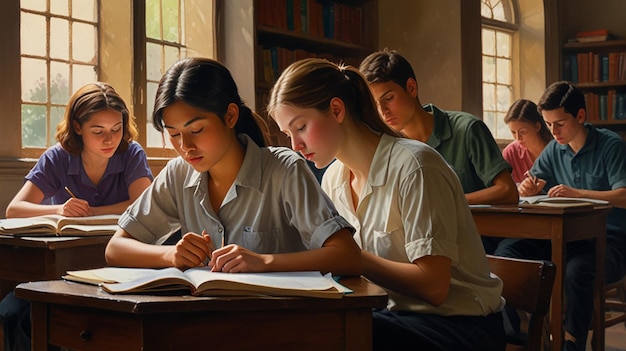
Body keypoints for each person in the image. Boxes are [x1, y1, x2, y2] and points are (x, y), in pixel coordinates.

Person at [268, 57, 505, 351]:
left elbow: (434, 287)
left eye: (300, 127)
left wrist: (351, 257)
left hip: (458, 324)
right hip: (389, 315)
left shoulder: (416, 166)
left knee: (335, 335)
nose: (295, 145)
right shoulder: (333, 179)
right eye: (288, 134)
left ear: (337, 109)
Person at [104, 57, 362, 279]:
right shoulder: (177, 174)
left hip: (281, 322)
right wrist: (170, 254)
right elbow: (115, 249)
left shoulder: (284, 170)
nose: (186, 146)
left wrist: (264, 262)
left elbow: (346, 256)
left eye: (196, 130)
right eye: (173, 134)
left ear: (230, 116)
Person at [1, 82, 154, 351]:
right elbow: (15, 209)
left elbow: (142, 204)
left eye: (116, 129)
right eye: (98, 131)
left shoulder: (131, 153)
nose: (110, 139)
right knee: (13, 313)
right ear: (77, 127)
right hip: (59, 269)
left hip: (118, 268)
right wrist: (59, 210)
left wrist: (92, 212)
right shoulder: (57, 158)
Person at [515, 81, 626, 351]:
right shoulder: (554, 150)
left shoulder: (610, 145)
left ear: (580, 116)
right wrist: (526, 188)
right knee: (512, 253)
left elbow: (623, 195)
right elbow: (528, 187)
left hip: (609, 242)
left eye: (560, 123)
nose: (553, 132)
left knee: (576, 270)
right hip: (565, 239)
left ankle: (571, 344)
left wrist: (577, 193)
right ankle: (522, 338)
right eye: (548, 124)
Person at [358, 48, 518, 206]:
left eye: (389, 98)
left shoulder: (467, 129)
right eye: (375, 105)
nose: (383, 111)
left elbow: (507, 191)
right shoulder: (385, 144)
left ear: (411, 88)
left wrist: (447, 202)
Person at [501, 99, 552, 184]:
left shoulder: (556, 149)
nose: (518, 138)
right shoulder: (510, 153)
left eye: (523, 132)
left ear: (537, 126)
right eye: (513, 132)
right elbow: (505, 187)